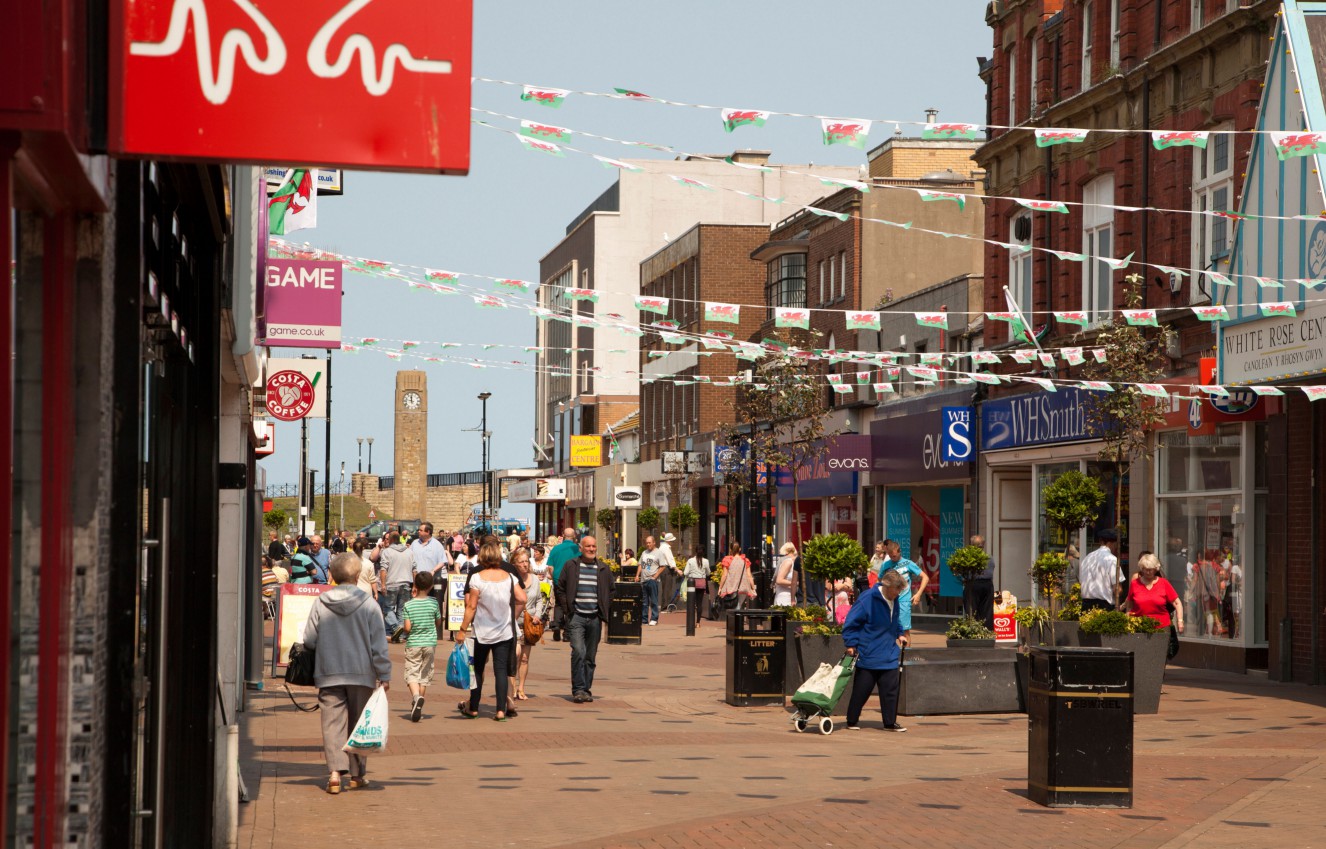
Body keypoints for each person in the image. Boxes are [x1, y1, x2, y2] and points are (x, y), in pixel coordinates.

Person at [301, 553, 391, 794]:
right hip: (361, 673)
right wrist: (384, 674)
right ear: (357, 575)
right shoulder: (369, 604)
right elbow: (379, 644)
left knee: (332, 724)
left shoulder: (321, 601)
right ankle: (357, 774)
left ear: (333, 575)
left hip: (329, 671)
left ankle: (333, 774)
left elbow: (309, 639)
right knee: (359, 723)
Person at [455, 542, 526, 720]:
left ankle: (473, 708)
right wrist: (512, 616)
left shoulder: (477, 578)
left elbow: (471, 606)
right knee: (500, 670)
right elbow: (522, 598)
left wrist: (462, 629)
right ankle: (500, 710)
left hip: (482, 630)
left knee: (478, 669)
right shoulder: (509, 577)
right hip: (504, 631)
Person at [842, 569, 910, 732]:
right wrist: (851, 644)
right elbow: (851, 623)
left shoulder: (895, 598)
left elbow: (895, 619)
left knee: (890, 690)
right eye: (897, 589)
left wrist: (900, 633)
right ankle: (852, 720)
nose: (898, 593)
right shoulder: (868, 599)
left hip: (889, 651)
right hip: (869, 651)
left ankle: (889, 722)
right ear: (887, 586)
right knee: (861, 690)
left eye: (900, 590)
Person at [555, 534, 613, 703]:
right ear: (581, 548)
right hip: (577, 617)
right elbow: (561, 588)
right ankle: (578, 689)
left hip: (595, 618)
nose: (591, 549)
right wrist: (568, 609)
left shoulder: (603, 568)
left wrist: (604, 608)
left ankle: (586, 689)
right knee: (579, 651)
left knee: (590, 656)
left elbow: (611, 590)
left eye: (593, 546)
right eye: (588, 546)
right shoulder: (571, 566)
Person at [401, 571, 441, 722]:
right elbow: (438, 622)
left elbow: (407, 628)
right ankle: (418, 704)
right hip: (430, 643)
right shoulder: (434, 603)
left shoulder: (408, 605)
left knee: (412, 672)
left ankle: (416, 697)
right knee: (424, 675)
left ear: (415, 586)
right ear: (431, 586)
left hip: (414, 643)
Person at [510, 547, 548, 701]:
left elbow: (539, 599)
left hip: (530, 624)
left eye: (526, 561)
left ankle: (521, 688)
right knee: (515, 655)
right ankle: (511, 688)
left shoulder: (534, 579)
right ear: (515, 564)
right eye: (521, 562)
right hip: (514, 622)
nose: (525, 564)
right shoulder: (511, 579)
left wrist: (538, 615)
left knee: (525, 658)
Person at [371, 532, 416, 639]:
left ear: (390, 540)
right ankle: (402, 634)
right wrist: (415, 585)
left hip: (391, 584)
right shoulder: (409, 552)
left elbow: (383, 569)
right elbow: (414, 569)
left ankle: (396, 628)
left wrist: (383, 585)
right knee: (402, 609)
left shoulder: (387, 552)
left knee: (387, 609)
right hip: (406, 584)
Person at [1124, 552, 1182, 634]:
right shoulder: (1135, 584)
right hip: (1139, 626)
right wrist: (1128, 620)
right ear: (1142, 568)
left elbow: (1177, 603)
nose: (1148, 572)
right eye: (1145, 569)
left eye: (1150, 569)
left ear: (1155, 569)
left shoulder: (1164, 583)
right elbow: (1130, 605)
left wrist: (1180, 621)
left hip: (1161, 626)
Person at [879, 539, 927, 634]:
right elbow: (880, 580)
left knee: (905, 632)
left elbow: (925, 577)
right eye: (890, 556)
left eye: (895, 556)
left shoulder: (908, 563)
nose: (893, 558)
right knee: (887, 630)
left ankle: (905, 649)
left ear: (899, 551)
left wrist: (918, 594)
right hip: (889, 601)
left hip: (903, 601)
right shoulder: (886, 565)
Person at [546, 528, 581, 642]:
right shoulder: (577, 549)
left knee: (559, 604)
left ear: (562, 535)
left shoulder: (556, 549)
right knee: (571, 604)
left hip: (558, 579)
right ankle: (567, 632)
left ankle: (556, 625)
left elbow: (550, 567)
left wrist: (554, 576)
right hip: (573, 581)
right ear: (574, 536)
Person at [1079, 529, 1124, 612]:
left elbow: (1081, 581)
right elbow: (1117, 589)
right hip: (1104, 606)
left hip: (1086, 606)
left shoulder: (1087, 558)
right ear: (1112, 543)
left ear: (1101, 542)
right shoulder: (1112, 560)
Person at [964, 534, 996, 630]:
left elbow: (964, 572)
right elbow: (992, 569)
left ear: (972, 545)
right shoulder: (989, 558)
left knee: (971, 609)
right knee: (987, 610)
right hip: (987, 585)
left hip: (974, 584)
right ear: (983, 545)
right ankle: (987, 631)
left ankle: (972, 630)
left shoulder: (968, 558)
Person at [638, 535, 670, 625]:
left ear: (654, 542)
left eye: (649, 543)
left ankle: (654, 619)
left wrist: (655, 576)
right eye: (647, 543)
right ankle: (644, 619)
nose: (648, 544)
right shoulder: (644, 552)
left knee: (654, 600)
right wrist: (637, 575)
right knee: (644, 602)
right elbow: (640, 564)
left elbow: (663, 566)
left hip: (652, 580)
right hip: (643, 580)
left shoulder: (658, 553)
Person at [717, 544, 755, 610]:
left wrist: (720, 587)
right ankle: (738, 619)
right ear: (740, 549)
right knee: (738, 605)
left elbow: (724, 575)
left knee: (733, 606)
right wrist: (753, 587)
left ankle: (735, 619)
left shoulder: (727, 560)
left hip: (731, 587)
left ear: (730, 550)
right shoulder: (745, 560)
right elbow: (749, 575)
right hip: (743, 587)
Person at [682, 546, 710, 632]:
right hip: (701, 583)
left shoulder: (690, 561)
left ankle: (690, 622)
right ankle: (698, 622)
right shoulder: (706, 561)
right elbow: (708, 573)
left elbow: (685, 572)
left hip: (692, 583)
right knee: (699, 604)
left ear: (695, 551)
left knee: (691, 604)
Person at [773, 543, 798, 607]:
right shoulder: (788, 562)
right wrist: (795, 583)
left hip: (791, 596)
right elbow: (779, 580)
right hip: (784, 598)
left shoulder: (794, 563)